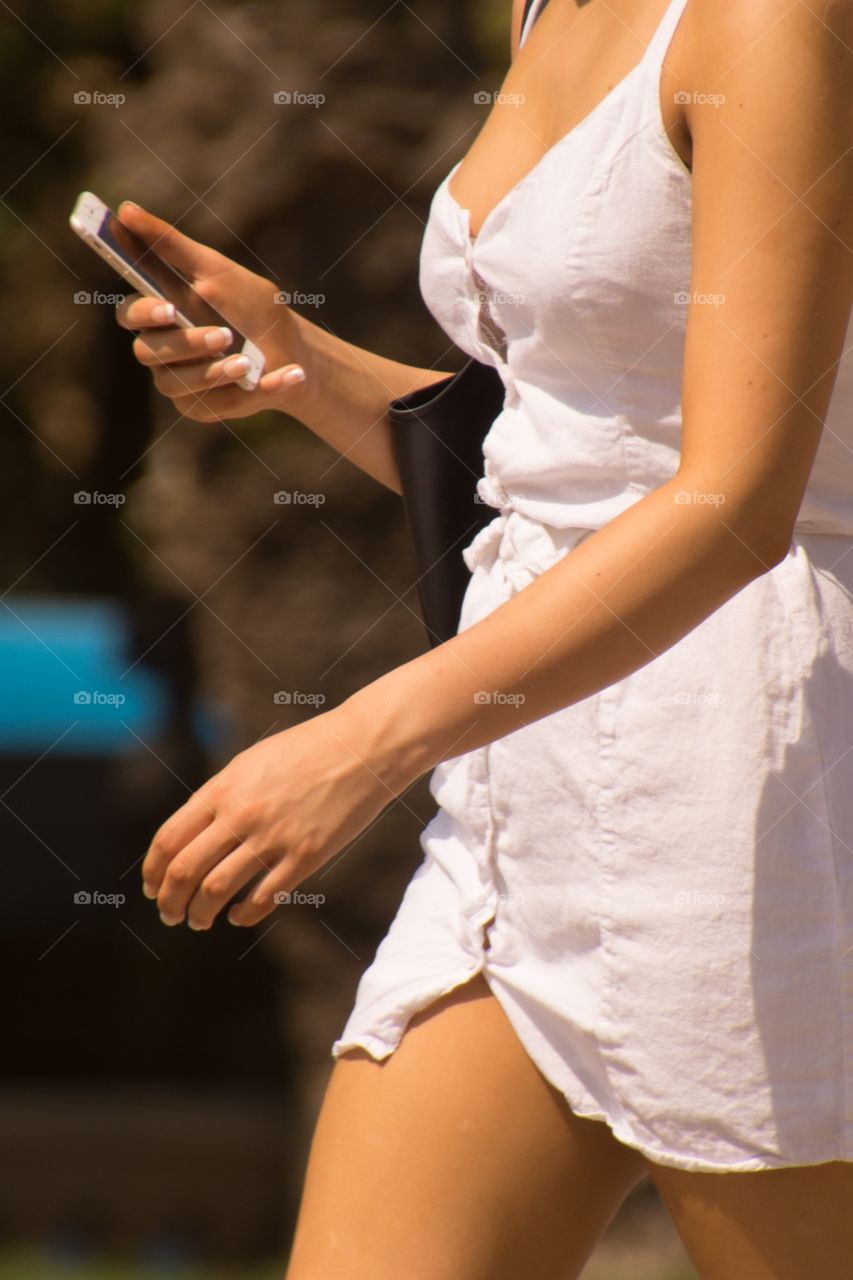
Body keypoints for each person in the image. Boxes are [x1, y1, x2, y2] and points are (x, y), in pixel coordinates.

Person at [114, 0, 853, 1275]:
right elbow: (566, 452)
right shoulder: (540, 8)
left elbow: (734, 503)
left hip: (757, 803)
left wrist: (362, 741)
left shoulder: (768, 22)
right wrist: (298, 364)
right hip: (520, 814)